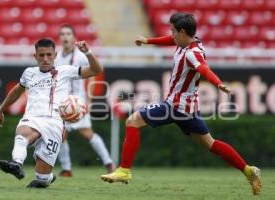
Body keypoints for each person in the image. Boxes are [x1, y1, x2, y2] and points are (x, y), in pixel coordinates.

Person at [101, 13, 262, 195]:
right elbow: (171, 40)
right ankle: (249, 170)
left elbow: (204, 69)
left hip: (175, 106)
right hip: (188, 109)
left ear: (183, 32)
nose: (171, 34)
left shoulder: (193, 54)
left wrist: (218, 83)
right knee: (210, 143)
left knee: (132, 121)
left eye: (173, 31)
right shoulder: (188, 41)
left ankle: (124, 171)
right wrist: (148, 40)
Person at [0, 38, 103, 188]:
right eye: (41, 55)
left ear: (55, 55)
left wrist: (88, 53)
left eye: (49, 55)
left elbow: (96, 70)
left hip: (54, 124)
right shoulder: (29, 73)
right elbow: (16, 91)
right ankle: (16, 163)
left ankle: (47, 177)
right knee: (22, 134)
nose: (45, 59)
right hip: (32, 119)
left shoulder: (65, 71)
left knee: (42, 179)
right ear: (35, 56)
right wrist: (1, 109)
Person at [55, 24, 115, 177]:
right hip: (61, 102)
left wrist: (89, 99)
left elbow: (94, 75)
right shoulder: (57, 56)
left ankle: (109, 163)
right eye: (62, 34)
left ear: (74, 37)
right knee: (60, 135)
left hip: (77, 102)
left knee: (87, 133)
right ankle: (67, 168)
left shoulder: (80, 56)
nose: (65, 36)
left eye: (68, 33)